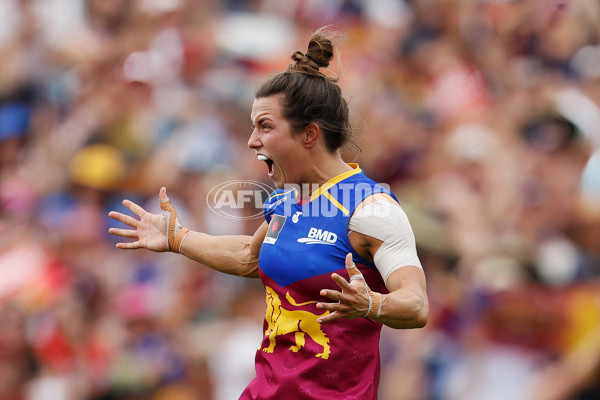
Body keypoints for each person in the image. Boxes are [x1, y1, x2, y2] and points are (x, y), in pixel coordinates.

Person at [108, 27, 428, 400]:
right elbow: (249, 258)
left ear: (308, 135)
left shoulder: (370, 208)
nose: (252, 140)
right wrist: (178, 238)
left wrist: (372, 303)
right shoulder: (287, 198)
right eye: (252, 126)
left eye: (265, 126)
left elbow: (416, 304)